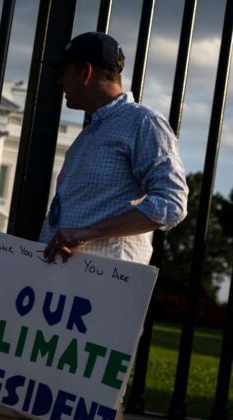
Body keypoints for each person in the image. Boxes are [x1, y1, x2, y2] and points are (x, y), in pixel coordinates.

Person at [40, 32, 189, 418]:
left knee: (89, 407)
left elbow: (172, 203)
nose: (60, 83)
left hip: (103, 296)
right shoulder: (91, 133)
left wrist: (86, 233)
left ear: (86, 72)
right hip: (63, 295)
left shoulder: (144, 124)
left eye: (65, 73)